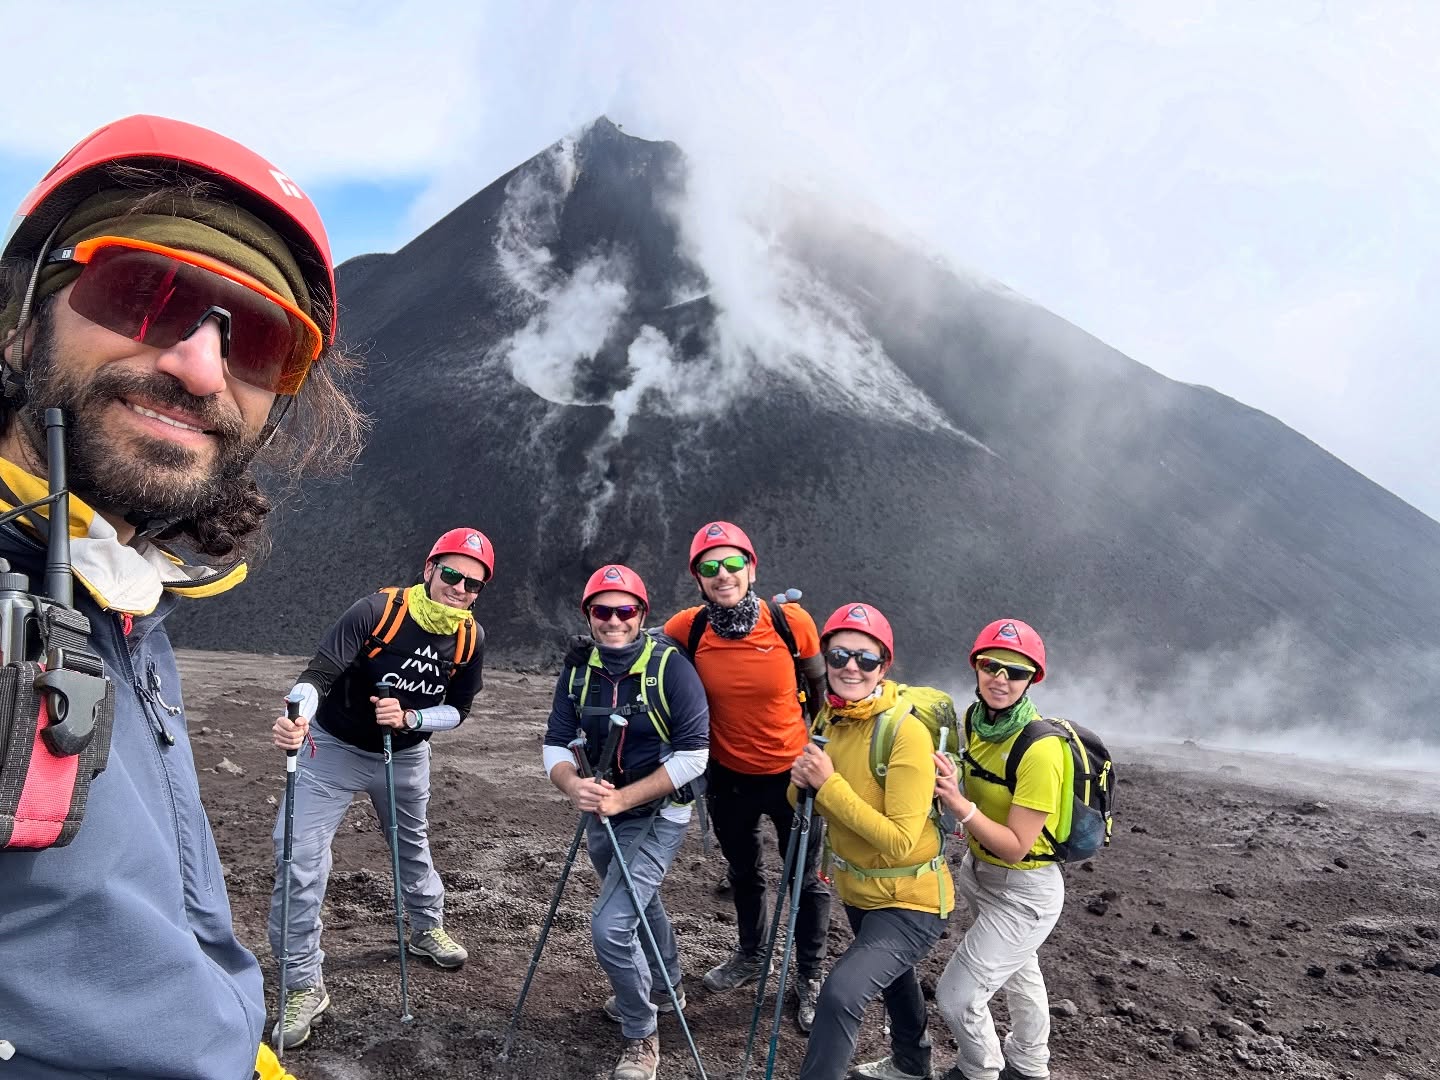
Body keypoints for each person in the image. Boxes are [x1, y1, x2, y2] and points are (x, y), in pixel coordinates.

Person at [0, 115, 363, 1079]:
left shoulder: (120, 598)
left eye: (262, 344)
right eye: (144, 291)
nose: (201, 365)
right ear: (21, 313)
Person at [268, 527, 491, 1048]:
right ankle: (302, 984)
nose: (460, 589)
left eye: (474, 585)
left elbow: (458, 711)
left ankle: (425, 925)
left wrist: (412, 715)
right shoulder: (377, 611)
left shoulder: (470, 638)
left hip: (405, 756)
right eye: (453, 575)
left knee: (409, 845)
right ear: (431, 569)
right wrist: (295, 716)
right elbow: (317, 675)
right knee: (297, 857)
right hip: (333, 750)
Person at [661, 520, 830, 1032]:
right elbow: (640, 647)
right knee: (744, 872)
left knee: (805, 878)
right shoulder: (688, 628)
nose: (722, 574)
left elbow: (822, 694)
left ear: (751, 568)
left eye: (732, 563)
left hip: (793, 777)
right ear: (698, 579)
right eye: (709, 568)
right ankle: (753, 956)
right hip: (729, 778)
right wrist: (593, 648)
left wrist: (819, 753)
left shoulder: (789, 622)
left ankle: (810, 975)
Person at [544, 564, 710, 1080]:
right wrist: (574, 785)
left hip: (658, 812)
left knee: (611, 927)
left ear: (643, 614)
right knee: (641, 900)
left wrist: (624, 799)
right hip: (602, 809)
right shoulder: (577, 670)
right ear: (588, 615)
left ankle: (642, 1038)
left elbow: (694, 755)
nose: (614, 621)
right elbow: (555, 741)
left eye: (626, 611)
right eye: (602, 611)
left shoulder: (671, 670)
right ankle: (666, 988)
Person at [790, 603, 954, 1080]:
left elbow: (900, 841)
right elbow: (807, 797)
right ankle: (911, 1061)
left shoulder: (905, 733)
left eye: (865, 659)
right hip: (862, 892)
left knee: (841, 993)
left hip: (912, 900)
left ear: (885, 665)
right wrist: (801, 780)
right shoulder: (830, 719)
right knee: (893, 975)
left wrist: (827, 785)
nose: (850, 668)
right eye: (839, 655)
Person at [933, 619, 1066, 1080]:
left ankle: (980, 1070)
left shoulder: (1041, 749)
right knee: (1019, 970)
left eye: (1017, 671)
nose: (1001, 679)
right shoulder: (974, 721)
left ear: (1032, 679)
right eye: (991, 665)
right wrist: (953, 779)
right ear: (976, 666)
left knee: (957, 995)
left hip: (1025, 891)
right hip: (980, 873)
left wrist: (959, 805)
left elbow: (1015, 846)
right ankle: (1030, 1065)